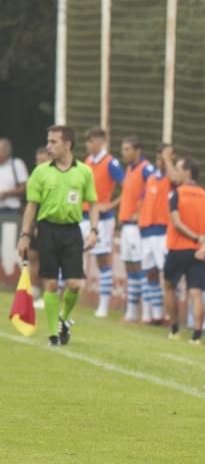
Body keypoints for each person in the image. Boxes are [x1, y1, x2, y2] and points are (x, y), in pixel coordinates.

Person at [16, 125, 99, 346]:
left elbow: (92, 203)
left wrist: (93, 230)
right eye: (48, 141)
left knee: (74, 285)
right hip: (47, 230)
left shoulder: (84, 172)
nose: (48, 146)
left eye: (53, 142)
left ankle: (63, 319)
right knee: (51, 284)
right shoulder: (40, 172)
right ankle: (53, 334)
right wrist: (25, 235)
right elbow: (31, 207)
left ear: (67, 145)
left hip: (72, 230)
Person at [163, 157, 205, 344]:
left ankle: (174, 329)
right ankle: (196, 335)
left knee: (169, 286)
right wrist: (203, 245)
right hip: (198, 252)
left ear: (188, 172)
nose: (176, 173)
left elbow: (176, 222)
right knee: (196, 293)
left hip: (179, 248)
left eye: (178, 169)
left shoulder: (176, 193)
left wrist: (195, 237)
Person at [81, 127, 125, 318]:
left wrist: (110, 204)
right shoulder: (88, 161)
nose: (88, 145)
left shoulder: (111, 163)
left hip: (102, 219)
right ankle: (57, 295)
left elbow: (128, 189)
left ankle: (104, 305)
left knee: (102, 259)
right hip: (82, 215)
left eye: (91, 141)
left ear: (100, 141)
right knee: (70, 254)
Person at [118, 136, 156, 322]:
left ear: (137, 150)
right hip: (125, 224)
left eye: (127, 149)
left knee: (141, 267)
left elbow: (153, 189)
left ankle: (147, 313)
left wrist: (140, 211)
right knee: (130, 266)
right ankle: (132, 311)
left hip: (136, 226)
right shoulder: (129, 169)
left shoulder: (146, 169)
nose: (123, 152)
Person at [136, 143, 175, 325]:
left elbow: (175, 178)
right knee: (150, 272)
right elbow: (142, 200)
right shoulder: (151, 178)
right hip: (147, 231)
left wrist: (168, 159)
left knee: (166, 273)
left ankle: (170, 315)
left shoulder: (173, 178)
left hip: (162, 232)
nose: (161, 161)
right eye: (159, 157)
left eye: (165, 157)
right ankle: (156, 314)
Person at [27, 146, 51, 305]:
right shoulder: (34, 178)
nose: (40, 164)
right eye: (38, 161)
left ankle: (46, 293)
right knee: (32, 256)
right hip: (35, 222)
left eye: (44, 161)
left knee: (46, 259)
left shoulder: (52, 179)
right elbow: (31, 204)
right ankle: (34, 290)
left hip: (48, 224)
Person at [0, 138, 28, 216]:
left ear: (6, 151)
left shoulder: (16, 164)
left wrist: (7, 194)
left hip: (11, 210)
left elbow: (25, 187)